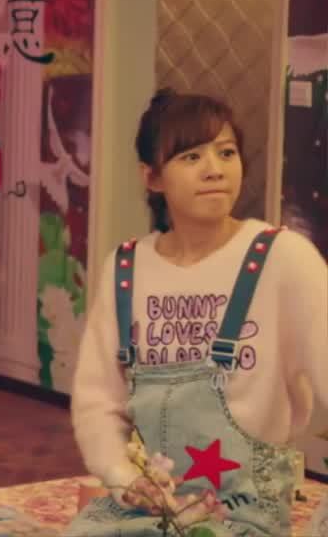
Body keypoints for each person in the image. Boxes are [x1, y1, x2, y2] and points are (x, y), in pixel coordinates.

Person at [66, 89, 328, 536]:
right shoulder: (125, 268)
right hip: (149, 507)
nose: (214, 169)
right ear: (152, 177)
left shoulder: (284, 258)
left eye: (226, 152)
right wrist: (122, 477)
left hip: (245, 513)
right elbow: (98, 401)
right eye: (191, 157)